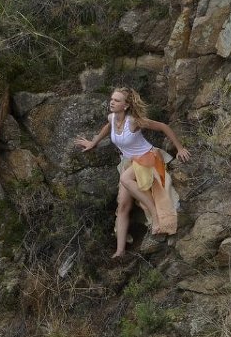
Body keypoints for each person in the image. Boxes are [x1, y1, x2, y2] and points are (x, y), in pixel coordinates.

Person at [75, 87, 190, 258]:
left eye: (117, 100)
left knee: (125, 179)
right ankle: (120, 251)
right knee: (123, 205)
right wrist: (94, 142)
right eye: (111, 99)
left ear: (126, 105)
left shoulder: (134, 122)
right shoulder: (112, 118)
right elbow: (108, 128)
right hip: (129, 162)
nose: (112, 102)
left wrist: (180, 148)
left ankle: (154, 214)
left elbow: (163, 127)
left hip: (147, 158)